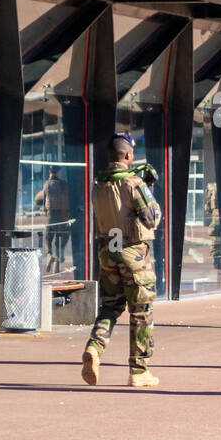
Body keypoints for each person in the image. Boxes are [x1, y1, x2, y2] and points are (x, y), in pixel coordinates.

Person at [82, 133, 162, 387]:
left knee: (110, 307)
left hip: (108, 253)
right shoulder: (133, 183)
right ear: (128, 156)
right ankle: (138, 371)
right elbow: (152, 218)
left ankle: (95, 348)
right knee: (141, 311)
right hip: (133, 255)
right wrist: (149, 189)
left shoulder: (98, 185)